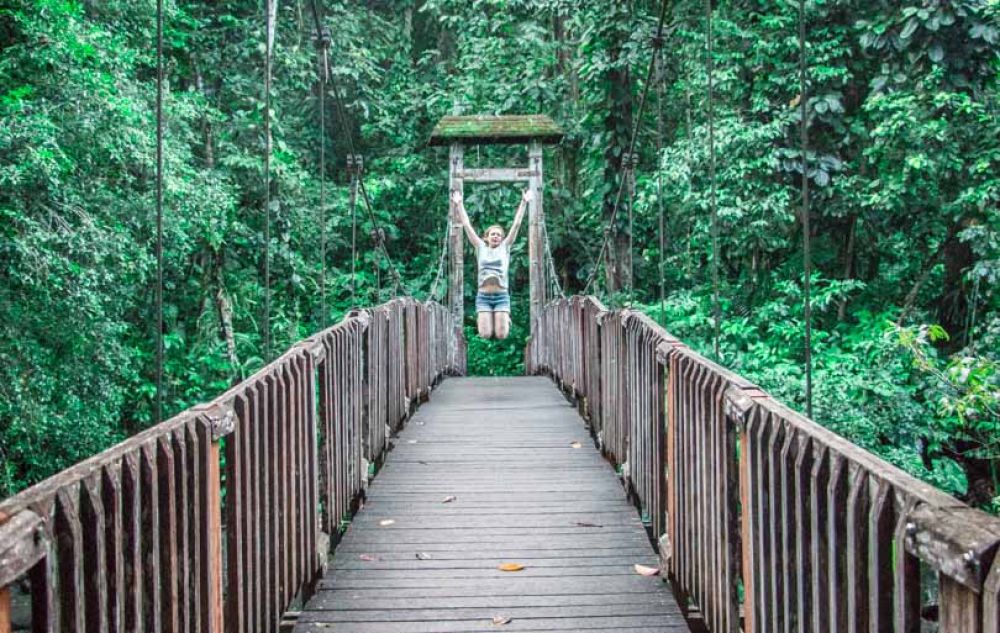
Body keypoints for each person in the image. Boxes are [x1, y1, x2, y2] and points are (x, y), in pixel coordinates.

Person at [450, 188, 531, 339]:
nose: (496, 236)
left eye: (499, 235)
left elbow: (516, 225)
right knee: (485, 334)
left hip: (501, 295)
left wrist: (524, 202)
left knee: (501, 335)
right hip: (483, 296)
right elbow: (467, 225)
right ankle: (489, 320)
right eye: (493, 234)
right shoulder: (480, 247)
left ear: (502, 238)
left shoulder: (505, 247)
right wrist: (459, 204)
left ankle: (505, 319)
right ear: (486, 237)